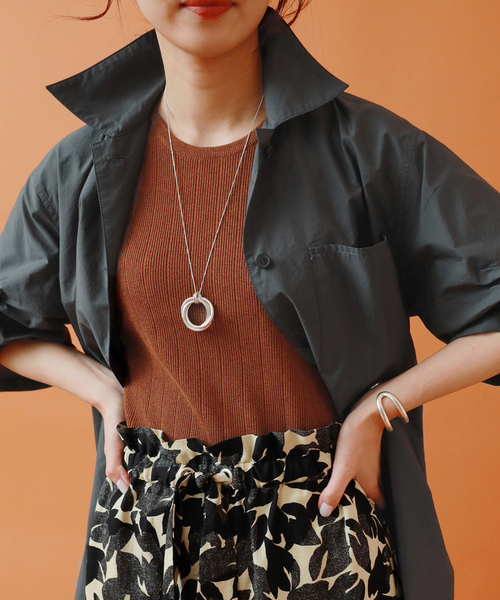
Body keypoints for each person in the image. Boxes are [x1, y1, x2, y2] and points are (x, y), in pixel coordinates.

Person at [1, 1, 499, 599]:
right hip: (148, 545)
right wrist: (103, 390)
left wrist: (380, 407)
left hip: (323, 536)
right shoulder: (76, 170)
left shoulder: (371, 149)